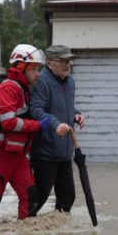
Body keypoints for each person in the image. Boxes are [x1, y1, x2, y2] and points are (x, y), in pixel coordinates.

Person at [0, 44, 53, 223]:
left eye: (38, 69)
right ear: (20, 67)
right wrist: (37, 126)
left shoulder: (23, 88)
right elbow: (8, 122)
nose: (38, 73)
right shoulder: (9, 88)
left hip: (15, 153)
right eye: (34, 69)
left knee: (31, 196)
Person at [29, 45, 85, 214]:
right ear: (49, 62)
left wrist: (76, 115)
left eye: (69, 61)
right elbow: (35, 111)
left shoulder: (70, 82)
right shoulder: (41, 81)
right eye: (62, 61)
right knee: (39, 199)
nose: (67, 65)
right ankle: (25, 234)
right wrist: (55, 124)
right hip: (45, 152)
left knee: (68, 197)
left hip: (65, 152)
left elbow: (66, 108)